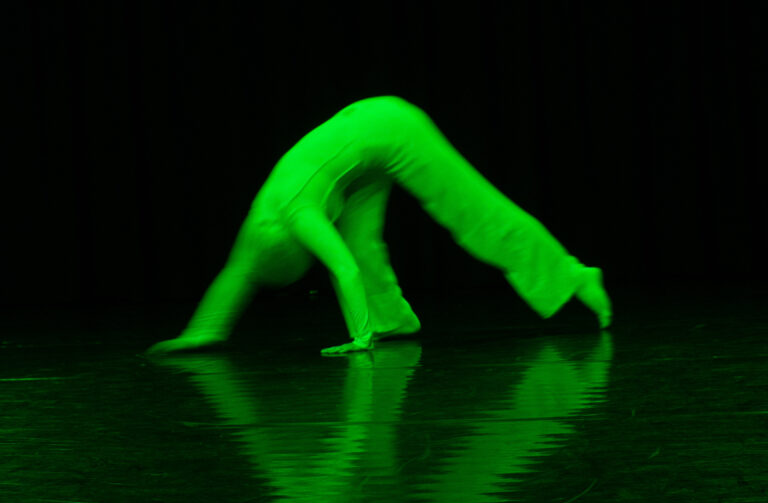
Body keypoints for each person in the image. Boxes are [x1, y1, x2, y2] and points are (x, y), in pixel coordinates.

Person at [146, 96, 612, 357]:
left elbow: (341, 270)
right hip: (358, 154)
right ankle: (392, 319)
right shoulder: (258, 233)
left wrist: (358, 338)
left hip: (391, 126)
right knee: (362, 242)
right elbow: (237, 276)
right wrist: (203, 331)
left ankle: (572, 274)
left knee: (471, 210)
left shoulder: (293, 214)